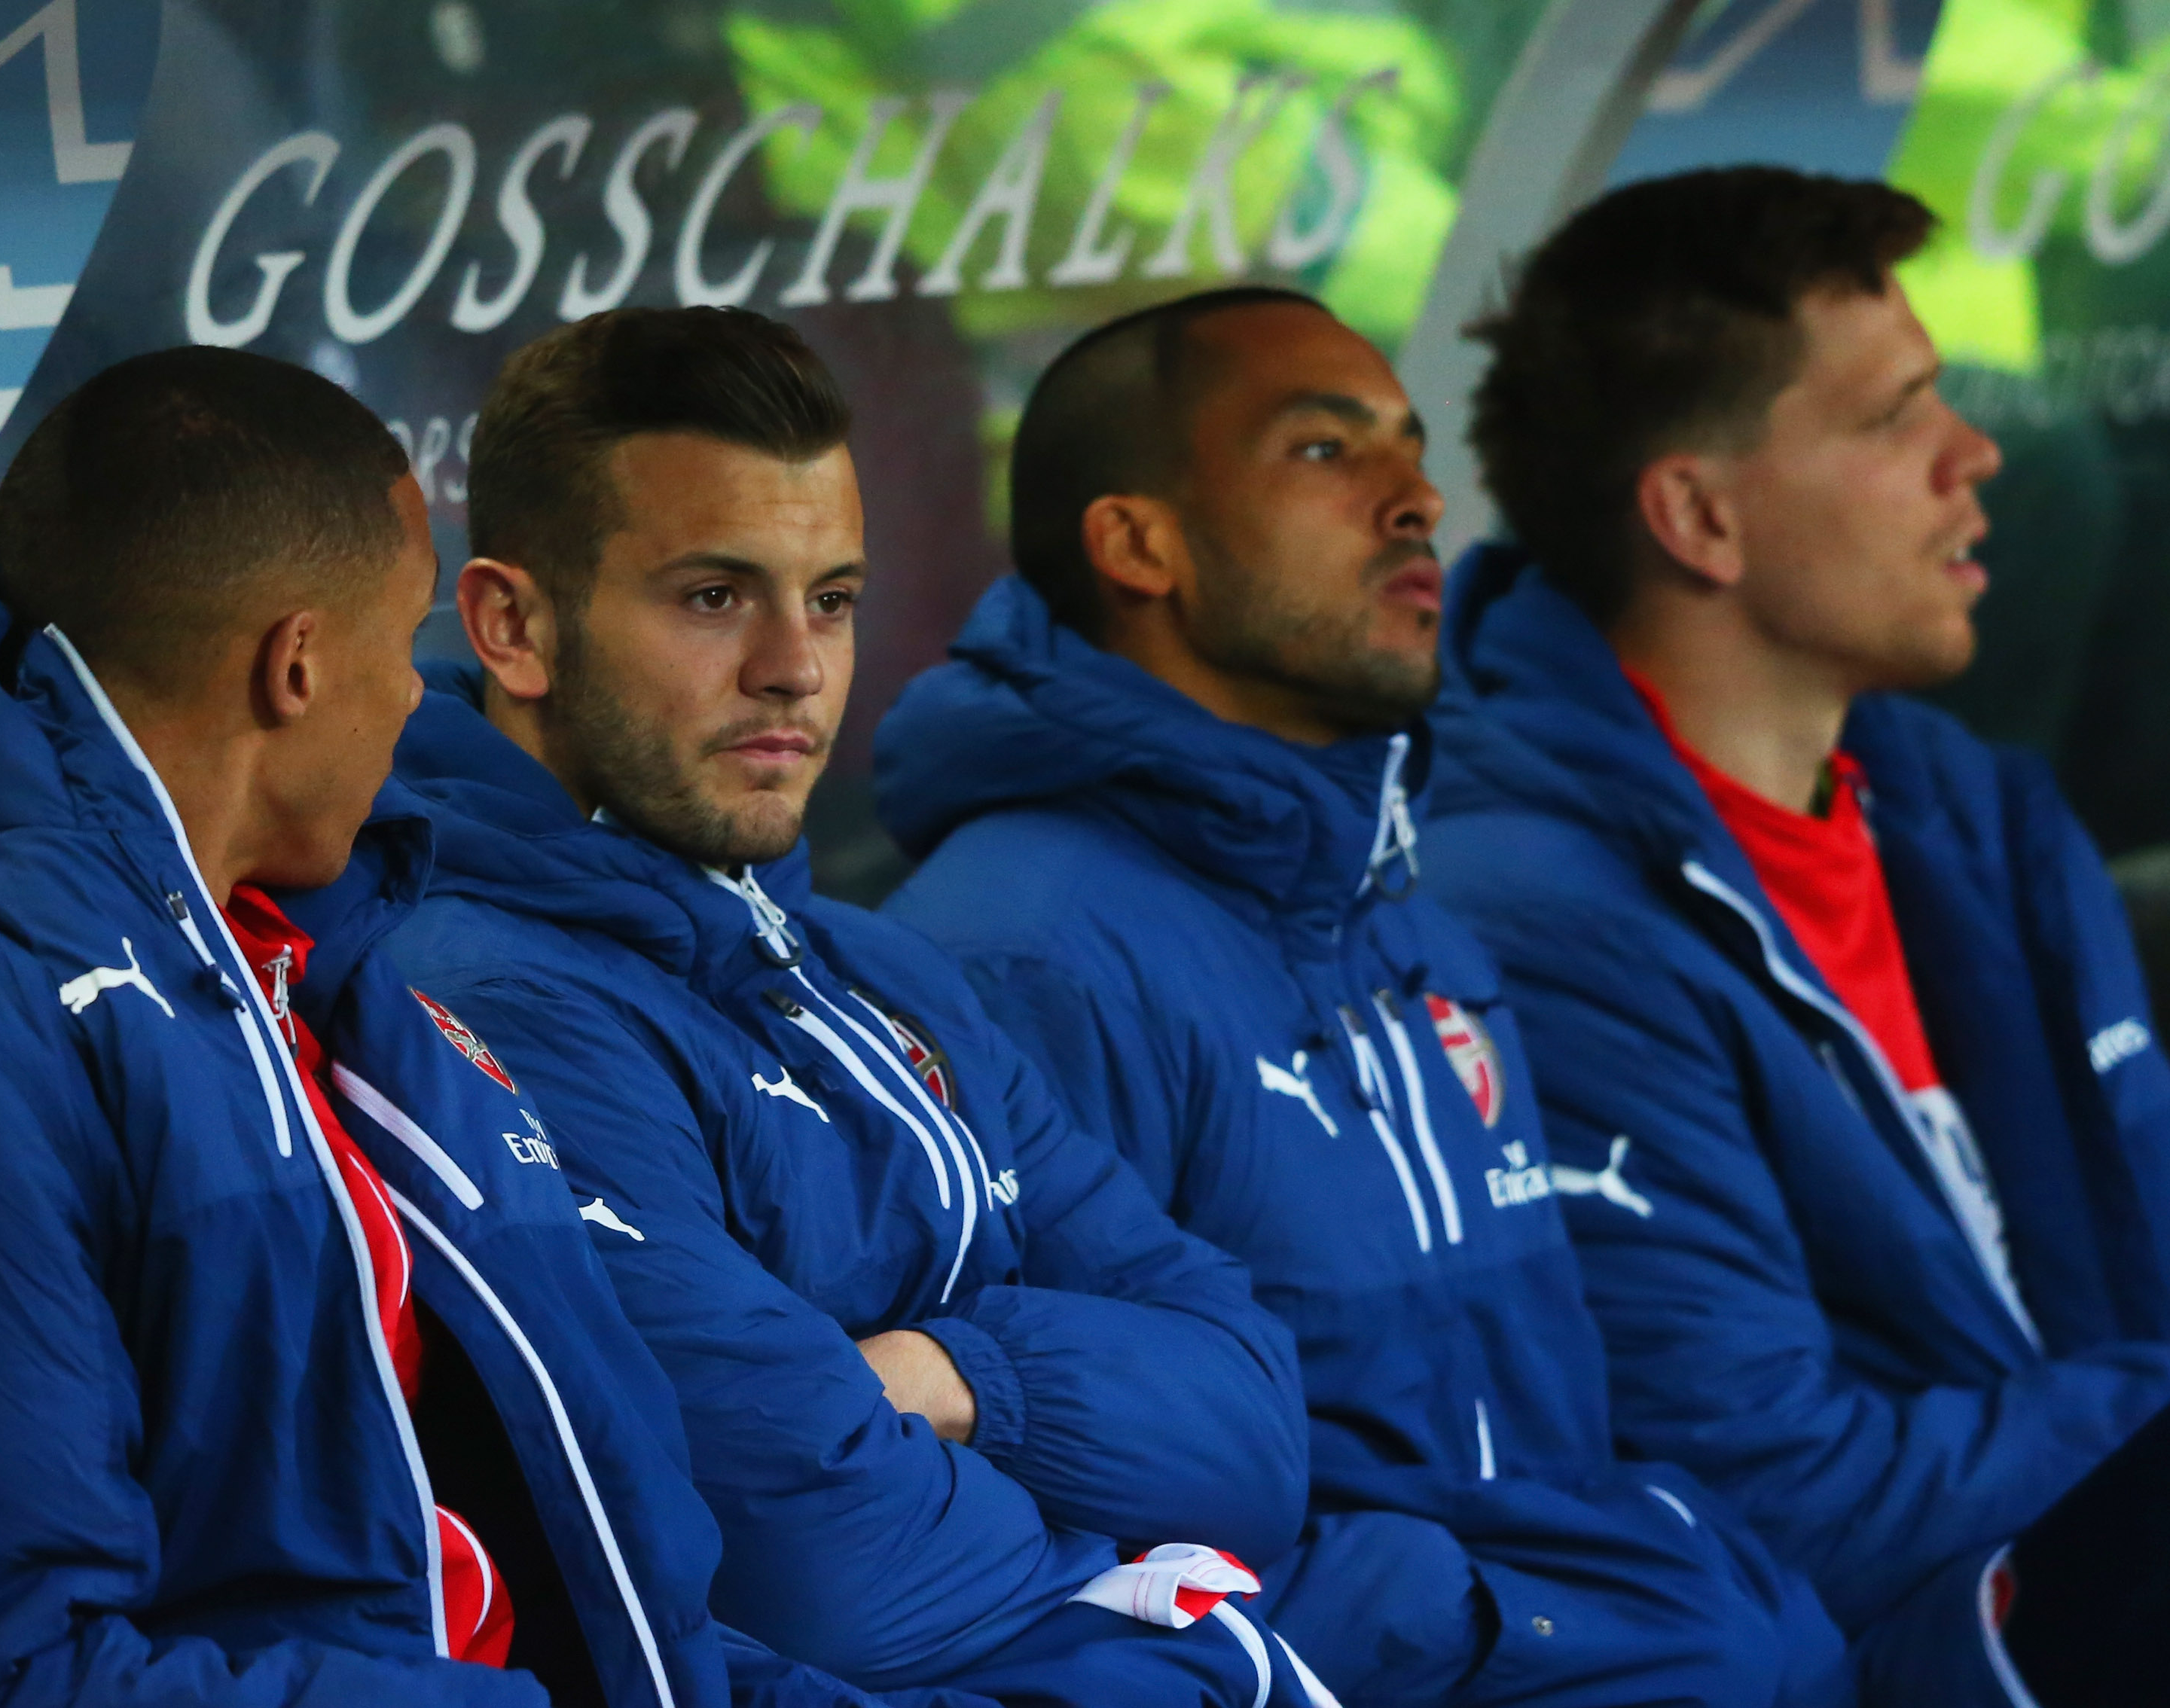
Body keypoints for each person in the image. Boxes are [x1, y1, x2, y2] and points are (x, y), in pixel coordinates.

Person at [0, 346, 986, 1708]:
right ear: (297, 664)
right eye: (402, 644)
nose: (416, 698)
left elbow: (590, 1567)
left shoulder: (335, 988)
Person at [871, 286, 1850, 1707]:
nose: (1417, 497)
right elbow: (1056, 1543)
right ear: (1137, 540)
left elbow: (1550, 1452)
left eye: (1407, 445)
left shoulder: (1409, 917)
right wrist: (1550, 1633)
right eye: (1328, 453)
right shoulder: (1020, 955)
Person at [384, 306, 1332, 1708]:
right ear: (513, 628)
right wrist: (1108, 1568)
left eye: (830, 598)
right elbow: (825, 1573)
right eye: (715, 597)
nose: (798, 666)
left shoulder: (878, 970)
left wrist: (957, 1375)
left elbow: (1259, 1435)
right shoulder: (489, 998)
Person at [1423, 165, 2170, 1707]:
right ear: (1699, 514)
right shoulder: (1535, 923)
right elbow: (1783, 1496)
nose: (1975, 459)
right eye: (1896, 419)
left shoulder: (1970, 811)